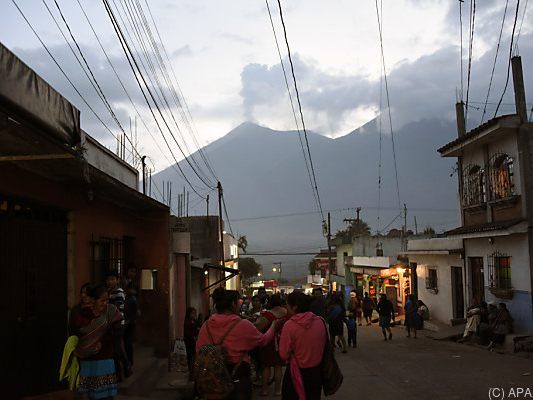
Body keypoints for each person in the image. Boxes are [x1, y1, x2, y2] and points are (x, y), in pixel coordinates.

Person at [195, 288, 278, 400]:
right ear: (233, 304)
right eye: (238, 302)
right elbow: (263, 340)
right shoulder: (242, 324)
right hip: (237, 378)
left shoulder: (206, 325)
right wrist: (273, 326)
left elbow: (199, 350)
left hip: (211, 381)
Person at [73, 284, 124, 400]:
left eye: (107, 300)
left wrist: (103, 342)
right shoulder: (84, 314)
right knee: (88, 395)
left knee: (105, 396)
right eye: (102, 300)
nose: (105, 303)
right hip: (88, 360)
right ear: (93, 301)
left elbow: (117, 333)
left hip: (105, 359)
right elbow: (78, 334)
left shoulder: (111, 311)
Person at [279, 291, 327, 400]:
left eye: (287, 305)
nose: (286, 308)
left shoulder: (289, 325)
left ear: (295, 307)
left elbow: (283, 354)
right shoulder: (320, 321)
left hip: (296, 373)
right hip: (316, 373)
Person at [255, 294, 288, 396]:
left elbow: (258, 327)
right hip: (282, 341)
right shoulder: (286, 312)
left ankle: (264, 390)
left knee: (266, 367)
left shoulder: (267, 315)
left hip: (268, 343)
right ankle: (278, 390)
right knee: (278, 367)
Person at [106, 272, 130, 380]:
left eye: (112, 279)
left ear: (117, 280)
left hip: (118, 323)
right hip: (110, 324)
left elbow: (115, 308)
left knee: (117, 349)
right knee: (116, 348)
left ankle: (122, 370)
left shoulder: (119, 292)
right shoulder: (107, 292)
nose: (110, 281)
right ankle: (124, 368)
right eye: (108, 279)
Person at [123, 283, 139, 366]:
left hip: (130, 323)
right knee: (126, 342)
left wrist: (129, 321)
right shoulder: (126, 298)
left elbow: (136, 313)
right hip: (126, 322)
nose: (131, 291)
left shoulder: (133, 299)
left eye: (132, 289)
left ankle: (130, 360)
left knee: (128, 343)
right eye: (130, 289)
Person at [183, 307, 200, 381]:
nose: (194, 314)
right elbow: (189, 333)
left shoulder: (194, 321)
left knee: (194, 358)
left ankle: (193, 373)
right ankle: (191, 374)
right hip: (189, 342)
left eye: (195, 313)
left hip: (193, 342)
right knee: (190, 358)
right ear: (189, 314)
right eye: (193, 313)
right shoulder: (187, 322)